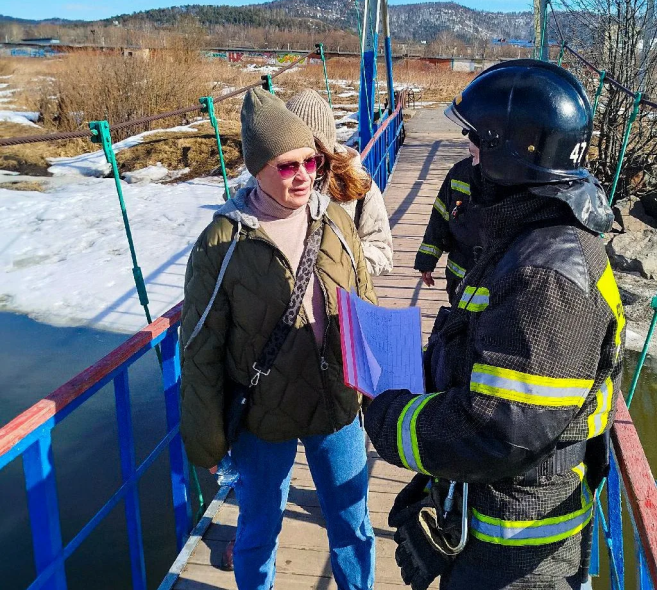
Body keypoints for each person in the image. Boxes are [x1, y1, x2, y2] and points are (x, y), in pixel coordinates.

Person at [364, 60, 626, 590]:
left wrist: (386, 416)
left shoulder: (547, 276)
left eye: (476, 138)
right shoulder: (528, 237)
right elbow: (492, 363)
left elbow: (494, 433)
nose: (468, 148)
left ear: (512, 152)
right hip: (490, 518)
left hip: (517, 552)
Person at [180, 87, 376, 590]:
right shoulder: (222, 243)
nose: (304, 175)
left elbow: (365, 304)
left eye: (311, 161)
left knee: (353, 525)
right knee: (258, 528)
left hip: (336, 401)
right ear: (257, 167)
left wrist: (381, 386)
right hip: (263, 415)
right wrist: (207, 440)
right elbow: (200, 349)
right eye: (288, 166)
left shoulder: (335, 220)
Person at [238, 88, 393, 277]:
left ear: (326, 149)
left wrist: (331, 260)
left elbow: (382, 253)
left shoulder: (357, 186)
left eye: (312, 158)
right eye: (288, 162)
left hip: (340, 292)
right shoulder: (262, 184)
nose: (302, 173)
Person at [414, 133, 482, 305]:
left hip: (492, 282)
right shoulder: (459, 173)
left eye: (479, 156)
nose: (475, 164)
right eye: (472, 155)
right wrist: (427, 260)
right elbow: (440, 217)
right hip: (458, 276)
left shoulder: (513, 181)